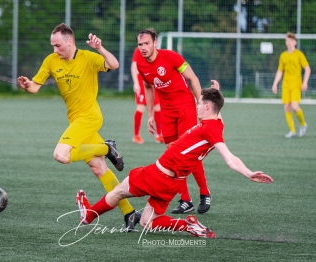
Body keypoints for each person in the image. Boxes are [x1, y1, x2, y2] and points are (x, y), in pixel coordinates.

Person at [76, 82, 274, 238]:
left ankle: (89, 216)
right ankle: (187, 224)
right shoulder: (217, 123)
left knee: (118, 192)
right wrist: (216, 93)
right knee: (147, 223)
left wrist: (248, 173)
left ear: (206, 106)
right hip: (172, 183)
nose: (196, 107)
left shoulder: (210, 129)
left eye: (199, 103)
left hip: (158, 175)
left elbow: (230, 158)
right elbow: (217, 109)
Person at [17, 23, 140, 231]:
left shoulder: (87, 58)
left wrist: (99, 48)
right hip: (75, 121)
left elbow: (115, 64)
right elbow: (35, 88)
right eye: (53, 46)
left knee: (61, 155)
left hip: (90, 117)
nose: (55, 50)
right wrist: (28, 85)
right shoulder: (51, 60)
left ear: (70, 41)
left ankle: (107, 147)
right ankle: (130, 212)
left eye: (58, 45)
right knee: (99, 168)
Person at [134, 28, 208, 214]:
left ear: (155, 43)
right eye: (140, 44)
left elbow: (192, 78)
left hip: (185, 107)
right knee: (172, 156)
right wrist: (151, 114)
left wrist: (201, 107)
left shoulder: (171, 57)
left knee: (187, 154)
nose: (143, 48)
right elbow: (148, 88)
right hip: (166, 112)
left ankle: (205, 193)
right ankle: (185, 200)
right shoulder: (142, 65)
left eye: (147, 44)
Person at [272, 32, 311, 138]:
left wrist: (305, 82)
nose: (288, 43)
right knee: (287, 107)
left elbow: (307, 69)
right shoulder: (283, 55)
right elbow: (280, 71)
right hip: (286, 85)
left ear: (295, 42)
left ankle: (303, 124)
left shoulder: (299, 54)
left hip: (296, 85)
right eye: (287, 41)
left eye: (290, 41)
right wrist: (275, 84)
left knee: (294, 106)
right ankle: (292, 131)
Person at [131, 47, 164, 144]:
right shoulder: (138, 50)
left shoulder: (157, 51)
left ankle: (159, 135)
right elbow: (134, 66)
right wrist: (136, 83)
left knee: (158, 107)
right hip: (141, 80)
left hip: (153, 80)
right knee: (141, 107)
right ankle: (136, 136)